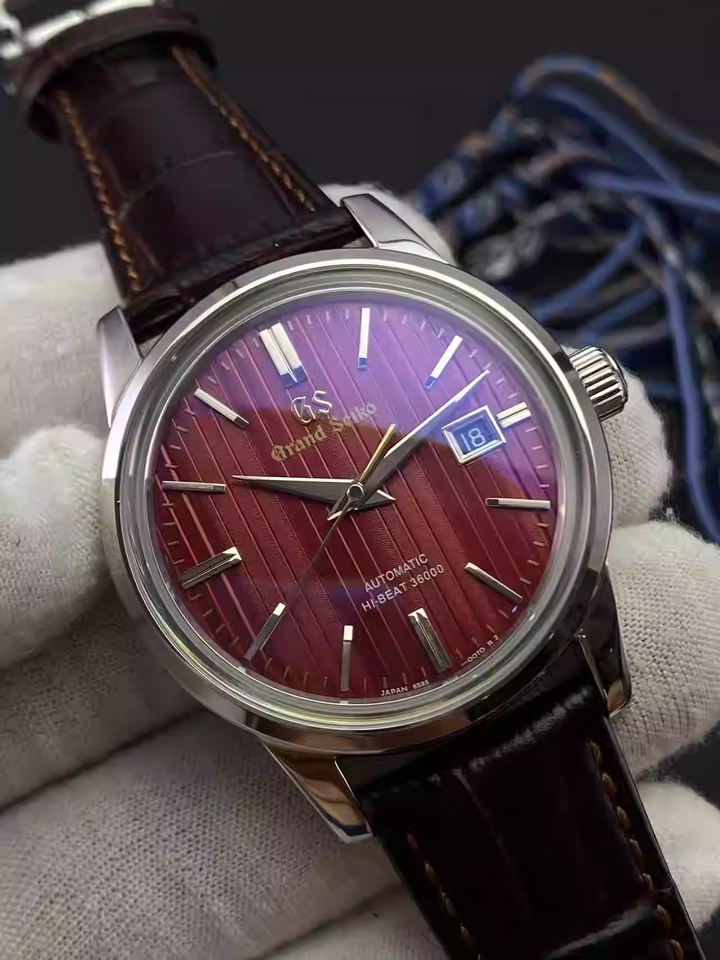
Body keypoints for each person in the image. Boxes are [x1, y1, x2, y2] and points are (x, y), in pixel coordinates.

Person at [1, 186, 720, 959]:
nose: (352, 497)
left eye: (359, 489)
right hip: (370, 711)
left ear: (580, 388)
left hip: (518, 646)